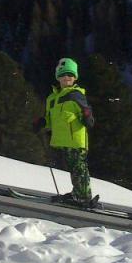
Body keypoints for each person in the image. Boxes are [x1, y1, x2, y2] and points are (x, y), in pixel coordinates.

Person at [33, 57, 96, 207]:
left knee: (79, 167)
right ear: (58, 77)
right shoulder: (52, 98)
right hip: (62, 139)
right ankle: (78, 193)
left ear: (75, 78)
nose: (66, 78)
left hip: (75, 139)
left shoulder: (76, 94)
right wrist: (42, 122)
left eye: (70, 75)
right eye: (63, 75)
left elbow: (87, 116)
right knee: (73, 167)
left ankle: (84, 196)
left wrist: (87, 116)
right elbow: (50, 118)